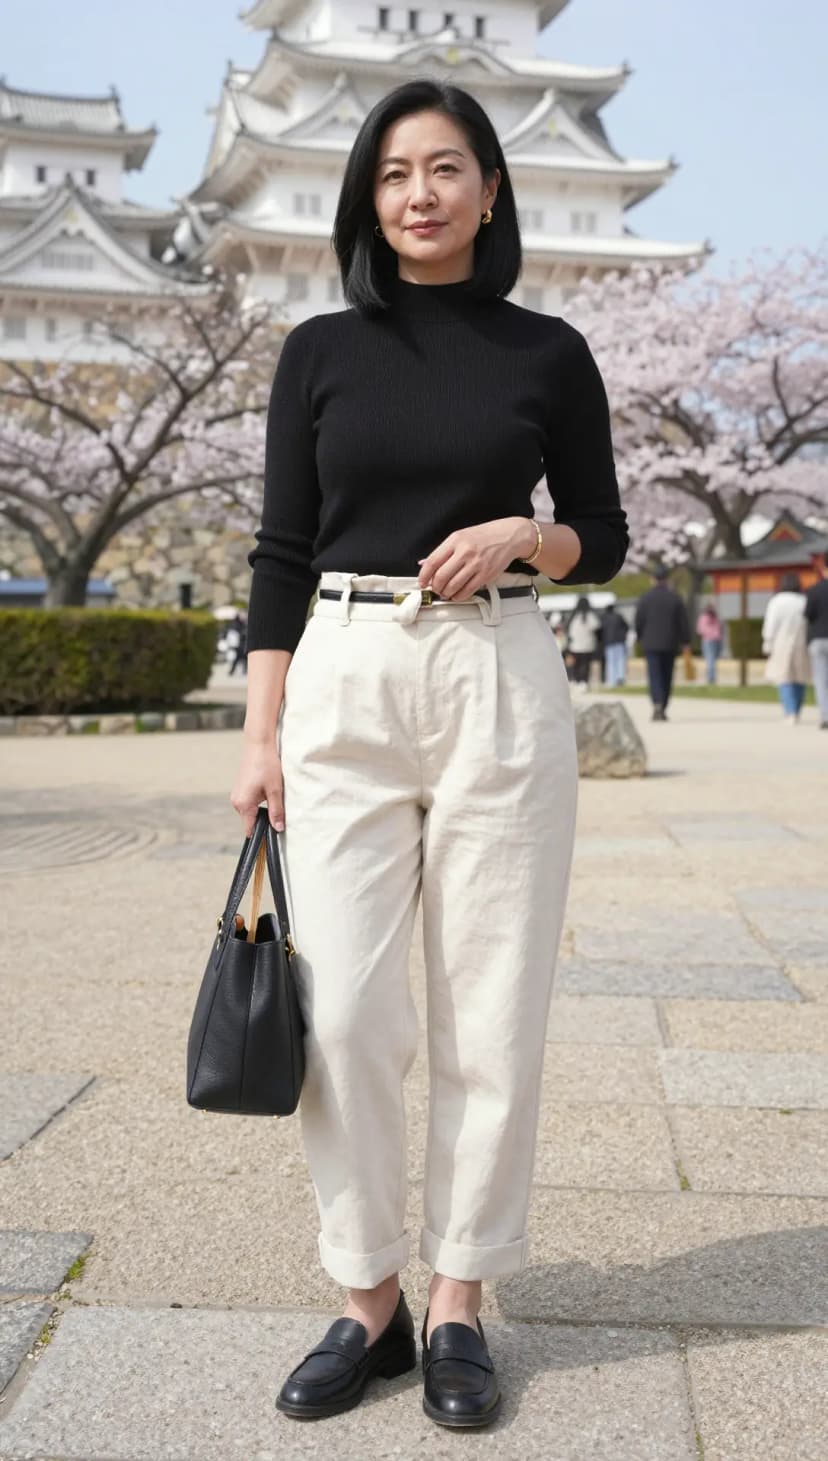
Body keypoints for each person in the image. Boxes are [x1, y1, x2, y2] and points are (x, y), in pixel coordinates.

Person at [230, 79, 628, 1430]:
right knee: (340, 1011)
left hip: (500, 669)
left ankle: (456, 1302)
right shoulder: (318, 353)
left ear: (491, 190)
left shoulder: (550, 351)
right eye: (395, 173)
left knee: (491, 1007)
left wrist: (525, 538)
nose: (419, 194)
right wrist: (260, 731)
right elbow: (281, 552)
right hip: (344, 667)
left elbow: (605, 536)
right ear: (368, 197)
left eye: (446, 168)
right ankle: (369, 1300)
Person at [634, 566, 691, 720]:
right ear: (666, 580)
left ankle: (657, 703)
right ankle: (663, 704)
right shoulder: (675, 598)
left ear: (653, 579)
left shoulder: (645, 598)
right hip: (670, 642)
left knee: (654, 675)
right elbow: (683, 622)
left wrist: (639, 637)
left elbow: (639, 621)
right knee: (667, 675)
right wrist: (686, 641)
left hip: (651, 643)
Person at [762, 572, 810, 723]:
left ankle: (790, 712)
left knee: (784, 677)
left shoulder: (777, 601)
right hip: (802, 641)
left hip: (781, 642)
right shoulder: (803, 600)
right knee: (800, 676)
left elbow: (771, 624)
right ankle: (797, 708)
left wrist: (767, 641)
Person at [805, 557, 828, 729]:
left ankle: (825, 715)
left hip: (819, 638)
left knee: (821, 679)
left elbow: (808, 615)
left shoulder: (814, 591)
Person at [565, 595, 601, 690]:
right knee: (585, 664)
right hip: (587, 645)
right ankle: (583, 681)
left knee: (576, 664)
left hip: (575, 646)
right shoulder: (590, 616)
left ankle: (576, 680)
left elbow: (569, 632)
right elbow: (597, 628)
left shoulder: (573, 617)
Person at [601, 602, 629, 686]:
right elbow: (626, 627)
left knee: (611, 662)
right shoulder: (619, 616)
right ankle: (620, 678)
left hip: (609, 642)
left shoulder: (604, 618)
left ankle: (611, 680)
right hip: (620, 641)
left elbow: (601, 631)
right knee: (620, 660)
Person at [696, 602, 723, 685]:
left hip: (708, 640)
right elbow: (720, 628)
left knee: (710, 659)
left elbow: (700, 630)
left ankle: (711, 678)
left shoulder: (703, 618)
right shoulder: (715, 617)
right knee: (712, 660)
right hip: (716, 639)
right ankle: (712, 677)